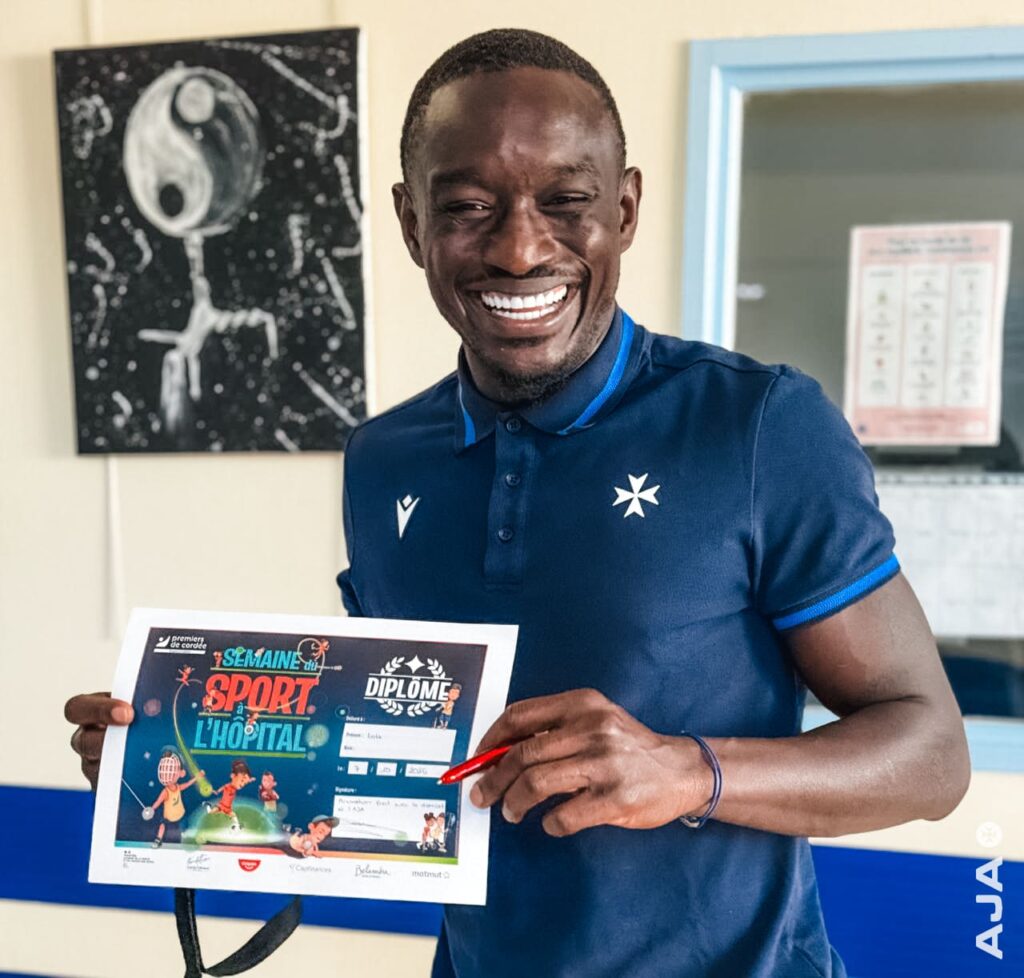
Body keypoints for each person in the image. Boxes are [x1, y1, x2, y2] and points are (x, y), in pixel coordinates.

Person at [66, 28, 970, 978]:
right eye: (466, 208)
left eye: (567, 202)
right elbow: (387, 754)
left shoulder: (757, 426)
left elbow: (933, 755)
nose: (519, 249)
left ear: (624, 209)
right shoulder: (382, 459)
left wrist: (686, 772)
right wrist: (173, 761)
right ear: (411, 222)